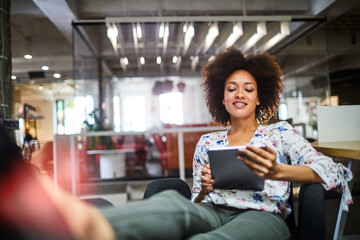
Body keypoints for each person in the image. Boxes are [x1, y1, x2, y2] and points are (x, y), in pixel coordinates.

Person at [0, 48, 353, 240]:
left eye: (248, 88)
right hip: (213, 208)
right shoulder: (209, 141)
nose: (240, 93)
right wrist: (206, 188)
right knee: (173, 203)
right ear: (222, 98)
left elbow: (334, 172)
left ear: (260, 96)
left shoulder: (281, 133)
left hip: (263, 217)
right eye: (231, 88)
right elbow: (199, 194)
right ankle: (80, 224)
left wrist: (280, 170)